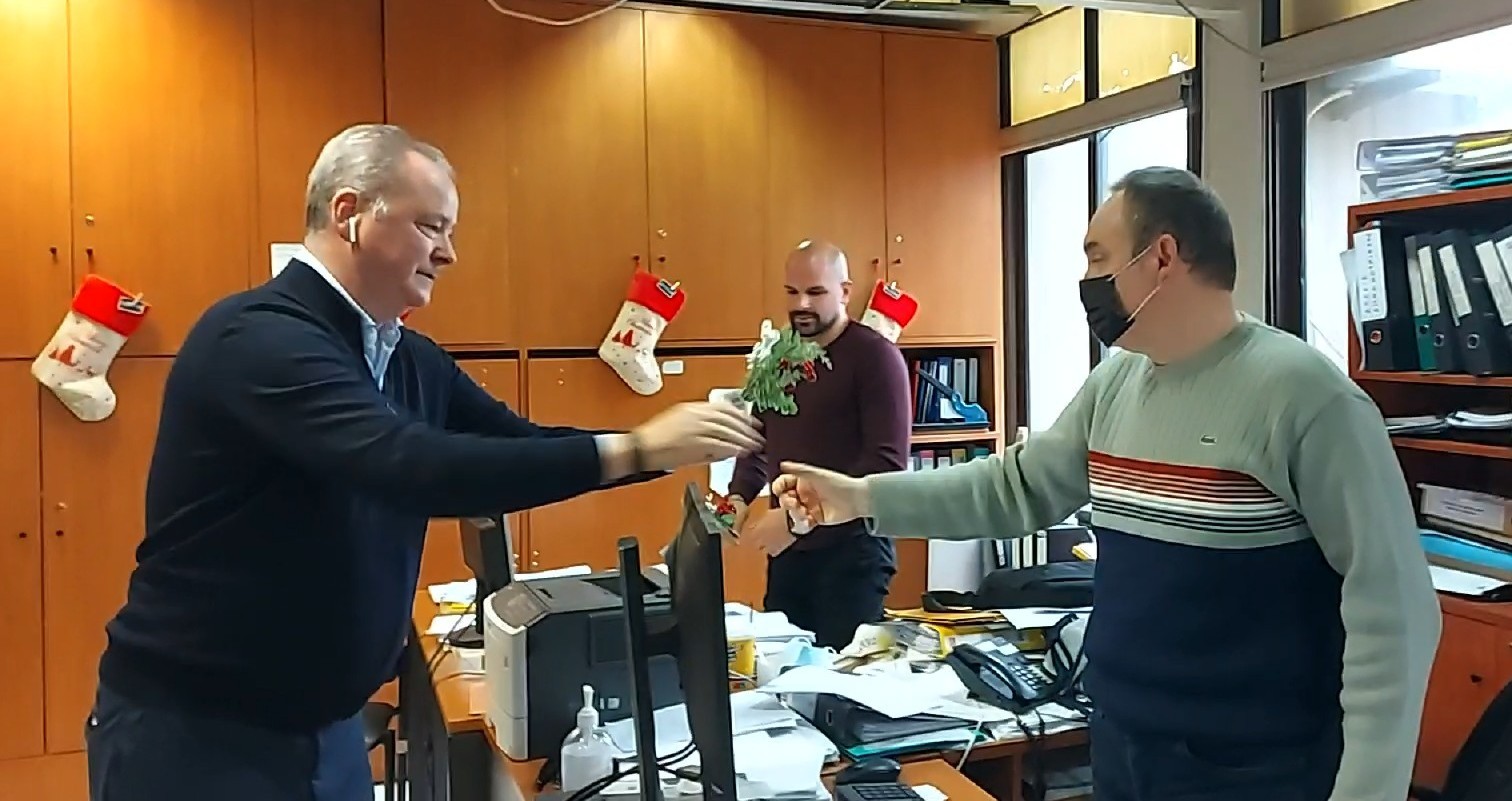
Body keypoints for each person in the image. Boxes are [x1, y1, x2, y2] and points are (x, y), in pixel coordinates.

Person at [84, 124, 762, 801]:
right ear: (349, 214)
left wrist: (656, 447)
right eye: (430, 226)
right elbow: (405, 464)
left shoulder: (408, 358)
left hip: (325, 729)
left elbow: (517, 442)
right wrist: (637, 448)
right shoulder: (259, 337)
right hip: (200, 735)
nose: (448, 252)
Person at [770, 168, 1441, 801]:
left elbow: (1396, 611)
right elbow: (1015, 487)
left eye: (1097, 259)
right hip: (1123, 744)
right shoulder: (1118, 382)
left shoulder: (1305, 398)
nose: (1087, 282)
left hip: (1255, 764)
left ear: (1163, 256)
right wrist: (860, 498)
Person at [726, 240, 912, 650]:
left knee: (842, 677)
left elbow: (885, 466)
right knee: (785, 668)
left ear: (845, 292)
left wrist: (798, 519)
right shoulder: (780, 356)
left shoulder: (876, 358)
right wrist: (736, 499)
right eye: (792, 292)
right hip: (789, 552)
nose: (801, 304)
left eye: (815, 292)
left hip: (852, 554)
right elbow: (758, 438)